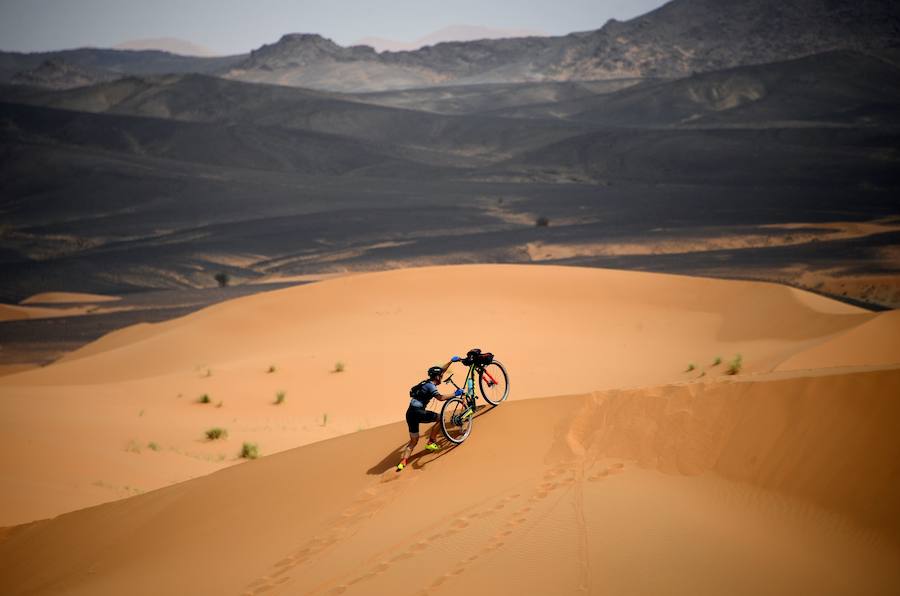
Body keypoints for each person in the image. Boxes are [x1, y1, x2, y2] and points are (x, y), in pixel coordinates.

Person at [397, 357, 462, 472]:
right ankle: (431, 442)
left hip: (410, 413)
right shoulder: (431, 386)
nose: (442, 377)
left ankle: (403, 462)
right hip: (418, 412)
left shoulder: (426, 382)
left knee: (413, 441)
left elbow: (441, 370)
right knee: (440, 418)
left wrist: (451, 362)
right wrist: (455, 394)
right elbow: (440, 398)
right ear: (436, 377)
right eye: (440, 376)